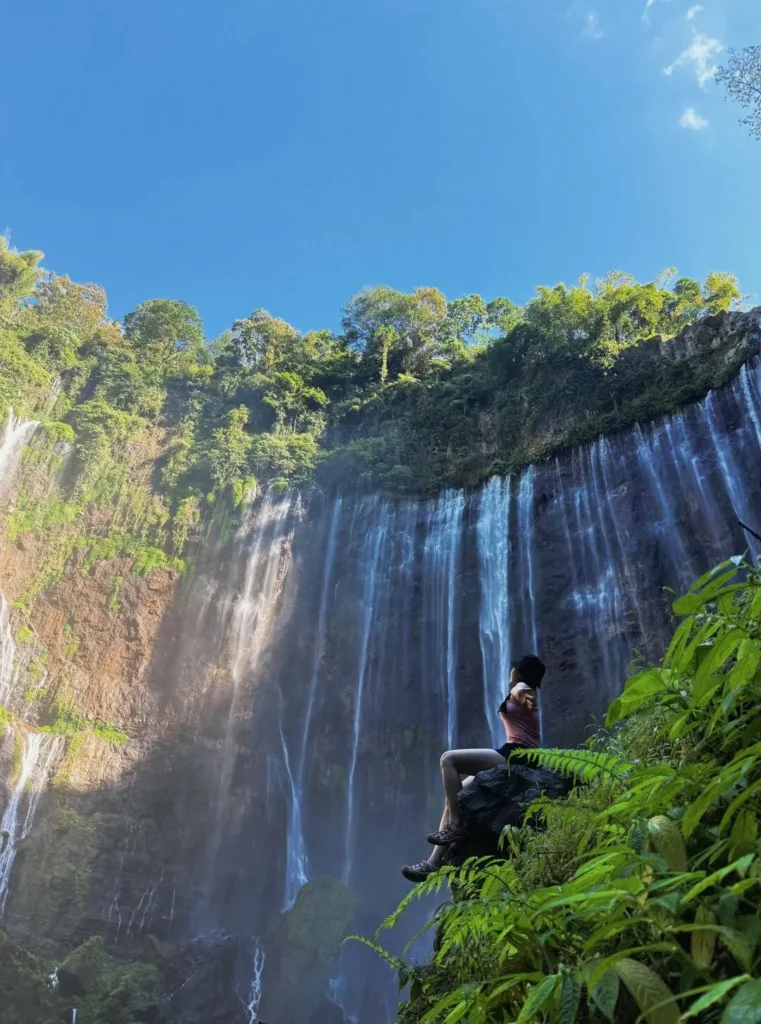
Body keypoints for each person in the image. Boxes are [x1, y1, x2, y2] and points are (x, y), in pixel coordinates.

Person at [401, 654, 545, 883]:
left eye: (514, 668)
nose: (510, 671)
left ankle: (456, 825)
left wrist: (523, 693)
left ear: (520, 672)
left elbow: (523, 691)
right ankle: (433, 863)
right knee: (456, 797)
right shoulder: (522, 689)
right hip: (514, 753)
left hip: (516, 756)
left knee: (448, 759)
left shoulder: (522, 687)